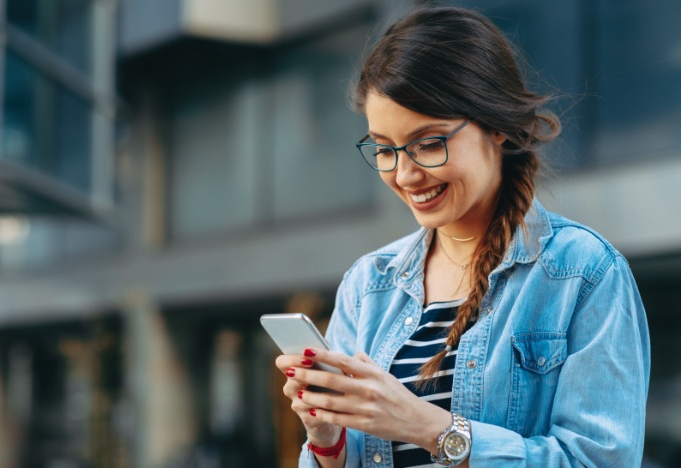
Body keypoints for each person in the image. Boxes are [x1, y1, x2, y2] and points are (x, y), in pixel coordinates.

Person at [275, 6, 650, 467]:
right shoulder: (368, 285)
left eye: (429, 143)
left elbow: (601, 461)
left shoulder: (583, 273)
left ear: (494, 125)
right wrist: (328, 438)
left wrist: (427, 427)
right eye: (385, 149)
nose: (406, 174)